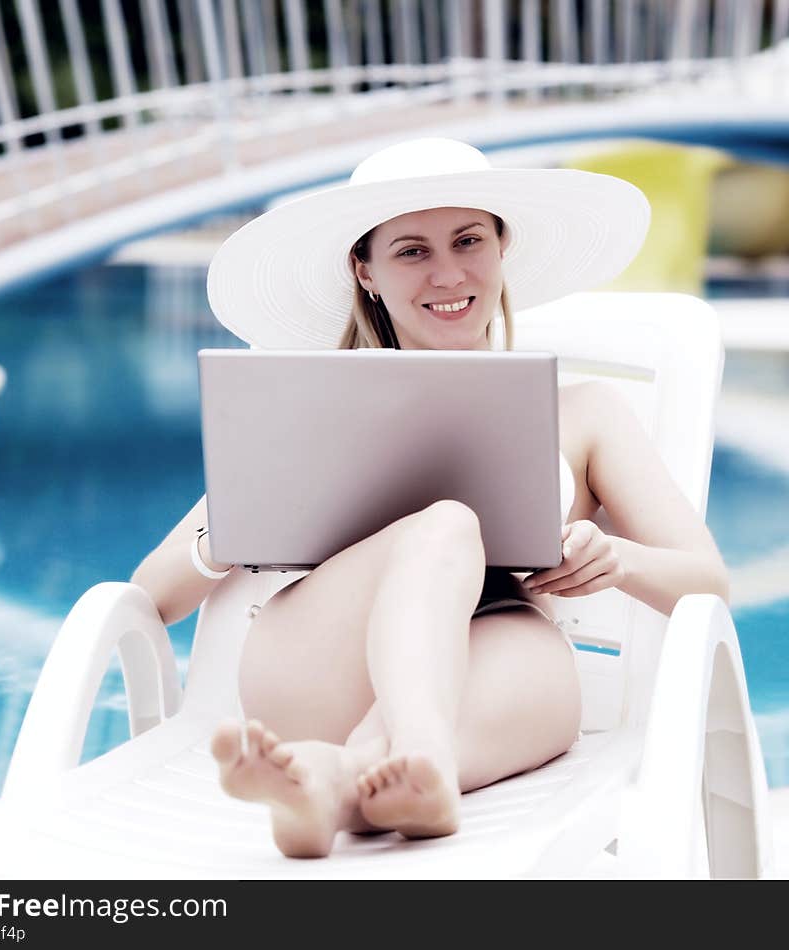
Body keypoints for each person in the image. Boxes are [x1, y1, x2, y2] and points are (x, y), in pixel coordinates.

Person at [131, 138, 730, 858]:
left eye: (468, 240)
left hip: (496, 659)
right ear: (367, 272)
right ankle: (419, 755)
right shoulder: (319, 405)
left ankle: (341, 783)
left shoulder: (587, 413)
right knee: (445, 527)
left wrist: (618, 561)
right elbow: (150, 597)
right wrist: (233, 526)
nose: (449, 272)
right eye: (412, 251)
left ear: (502, 248)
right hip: (320, 666)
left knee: (547, 669)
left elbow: (708, 583)